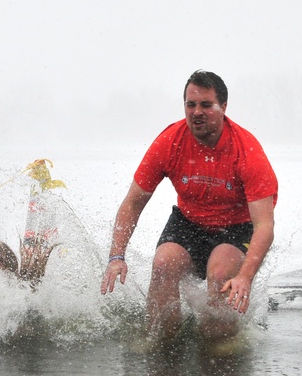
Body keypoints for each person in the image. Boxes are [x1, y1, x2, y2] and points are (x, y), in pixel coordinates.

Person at [100, 70, 278, 344]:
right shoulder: (170, 141)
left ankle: (220, 351)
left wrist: (245, 276)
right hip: (189, 222)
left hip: (236, 229)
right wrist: (116, 256)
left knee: (219, 275)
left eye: (206, 105)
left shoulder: (247, 151)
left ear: (223, 107)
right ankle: (161, 347)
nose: (197, 112)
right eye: (191, 104)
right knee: (163, 264)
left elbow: (265, 226)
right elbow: (133, 203)